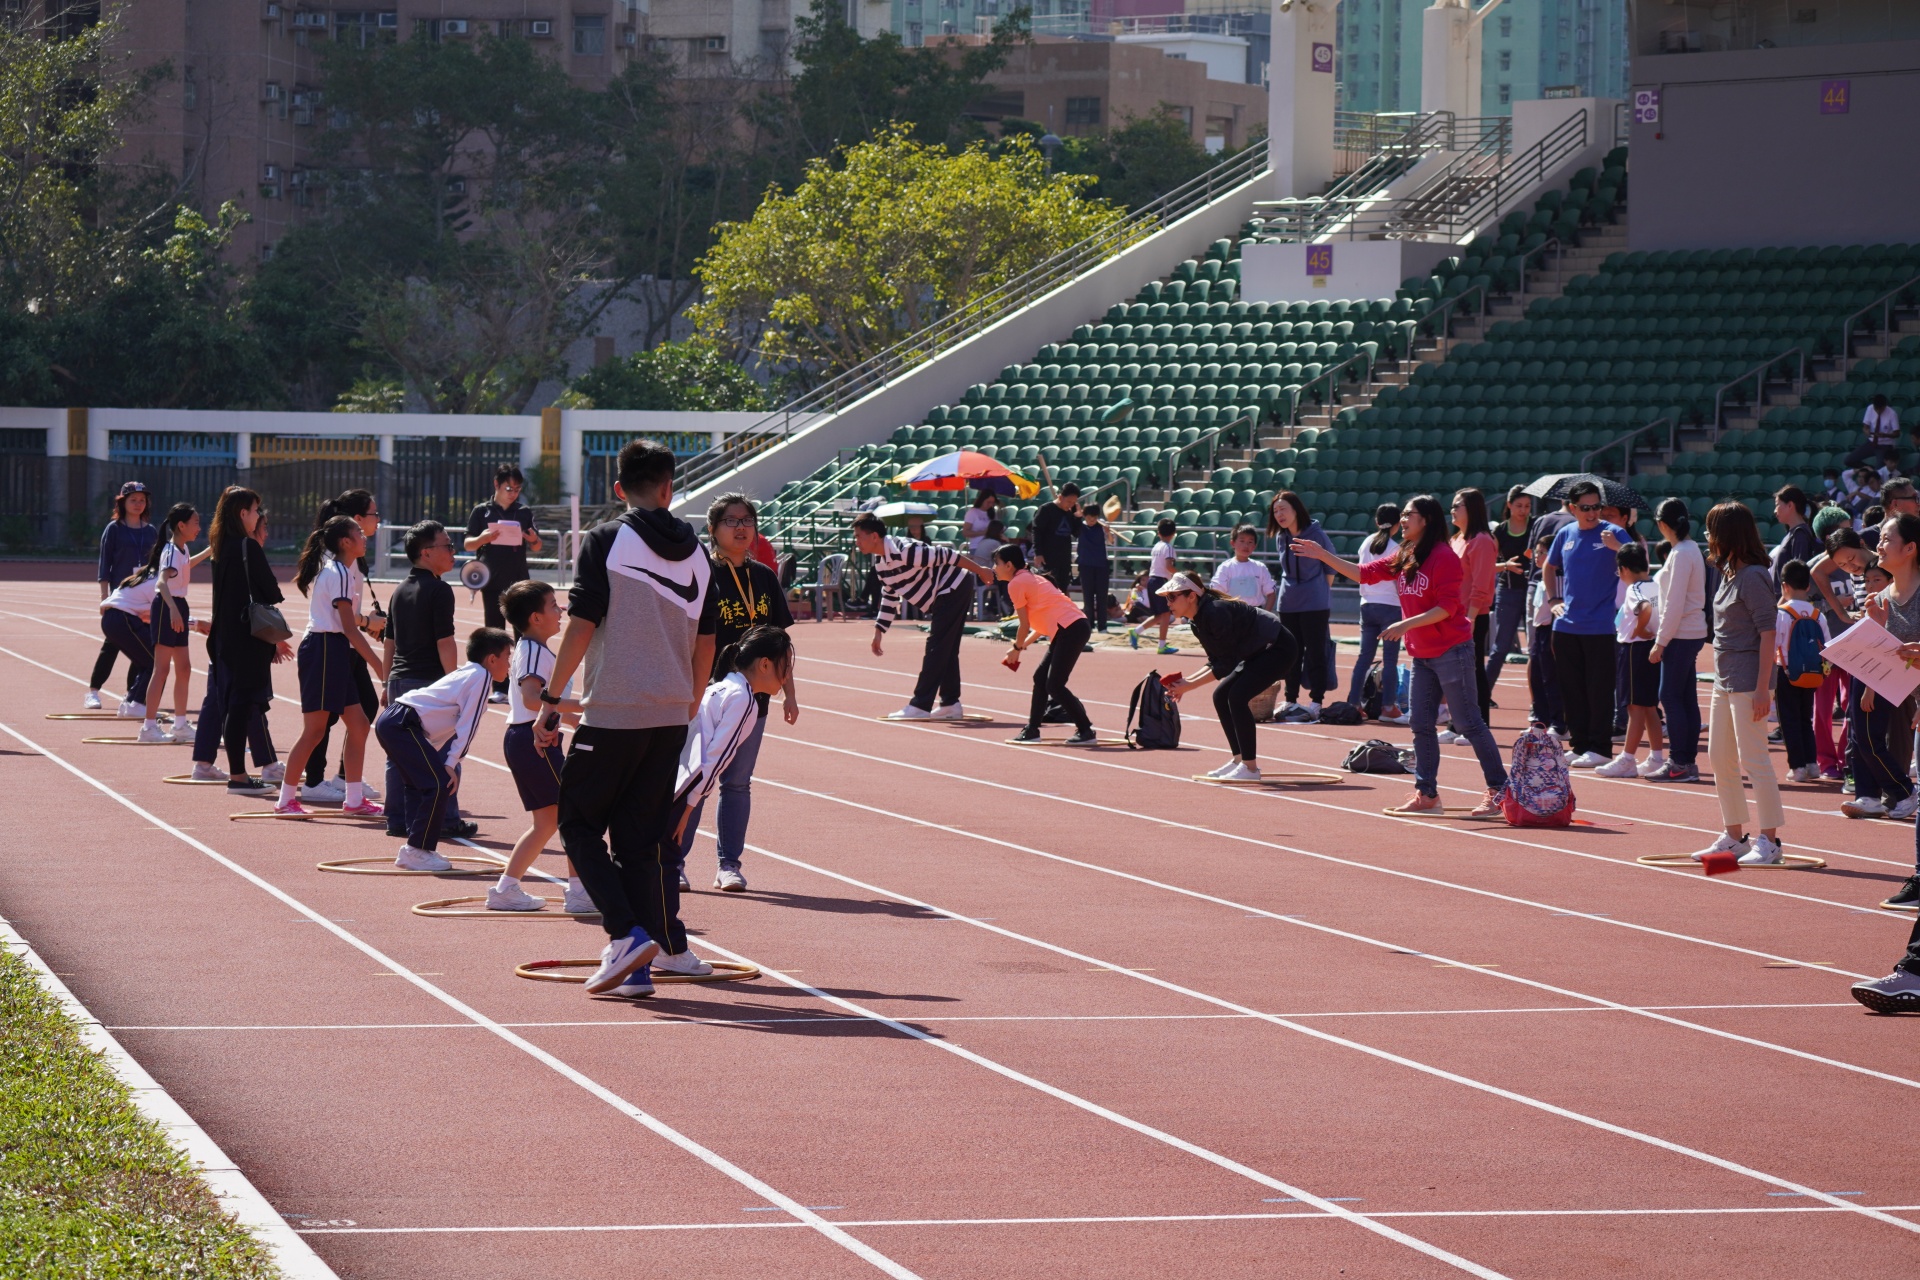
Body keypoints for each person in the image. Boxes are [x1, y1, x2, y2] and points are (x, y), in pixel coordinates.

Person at [537, 439, 719, 998]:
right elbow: (707, 640)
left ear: (619, 489)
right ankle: (640, 966)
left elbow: (582, 622)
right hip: (669, 715)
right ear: (669, 488)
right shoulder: (699, 553)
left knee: (577, 825)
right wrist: (689, 701)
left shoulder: (607, 539)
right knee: (639, 844)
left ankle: (625, 935)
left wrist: (552, 696)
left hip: (615, 711)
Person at [1296, 496, 1509, 816]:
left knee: (1469, 722)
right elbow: (1364, 574)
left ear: (1427, 520)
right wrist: (1323, 555)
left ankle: (1500, 790)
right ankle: (1427, 794)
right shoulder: (1405, 553)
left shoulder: (1444, 557)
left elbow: (1448, 608)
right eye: (1404, 514)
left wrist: (1405, 624)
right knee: (1421, 725)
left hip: (1452, 650)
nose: (1403, 519)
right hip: (1422, 655)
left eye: (1410, 514)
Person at [625, 625, 800, 997]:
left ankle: (651, 946)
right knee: (663, 866)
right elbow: (714, 758)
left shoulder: (723, 687)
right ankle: (666, 949)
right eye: (786, 666)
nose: (788, 676)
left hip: (660, 778)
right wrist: (689, 808)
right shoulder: (744, 700)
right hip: (677, 785)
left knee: (653, 864)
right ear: (765, 664)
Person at [671, 492, 798, 894]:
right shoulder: (701, 575)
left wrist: (789, 693)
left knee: (737, 783)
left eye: (747, 520)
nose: (741, 528)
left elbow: (780, 644)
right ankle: (674, 862)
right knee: (694, 776)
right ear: (713, 529)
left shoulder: (764, 577)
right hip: (706, 696)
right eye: (731, 521)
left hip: (754, 699)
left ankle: (729, 865)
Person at [1688, 502, 1787, 865]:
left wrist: (1762, 688)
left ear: (1726, 534)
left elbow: (1767, 633)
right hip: (1725, 678)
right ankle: (1734, 837)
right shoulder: (1730, 572)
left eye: (1711, 530)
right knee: (1720, 757)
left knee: (1755, 759)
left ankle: (1770, 841)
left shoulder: (1754, 576)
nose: (1707, 536)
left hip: (1748, 680)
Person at [488, 580, 593, 913]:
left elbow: (547, 705)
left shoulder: (535, 649)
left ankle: (506, 889)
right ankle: (579, 893)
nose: (560, 610)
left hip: (530, 739)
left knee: (547, 823)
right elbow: (533, 700)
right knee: (574, 815)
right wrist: (587, 705)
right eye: (552, 605)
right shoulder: (532, 651)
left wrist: (574, 719)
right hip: (532, 741)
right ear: (535, 618)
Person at [273, 516, 388, 817]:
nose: (365, 537)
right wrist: (379, 667)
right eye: (359, 533)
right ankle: (285, 800)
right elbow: (350, 628)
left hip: (334, 650)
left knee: (359, 724)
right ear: (345, 542)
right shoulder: (337, 572)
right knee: (314, 730)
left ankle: (354, 800)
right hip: (323, 649)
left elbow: (348, 629)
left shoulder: (344, 571)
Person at [373, 628, 511, 871]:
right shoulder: (481, 676)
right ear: (492, 659)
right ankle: (417, 850)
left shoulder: (469, 673)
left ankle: (415, 849)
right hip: (403, 723)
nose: (509, 665)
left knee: (420, 785)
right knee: (438, 784)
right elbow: (468, 726)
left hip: (394, 721)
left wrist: (445, 762)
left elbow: (442, 725)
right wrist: (450, 764)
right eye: (507, 657)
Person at [1158, 572, 1297, 782]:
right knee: (1221, 696)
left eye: (1172, 596)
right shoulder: (1197, 621)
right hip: (1258, 651)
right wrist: (1185, 683)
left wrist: (1189, 685)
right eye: (1167, 597)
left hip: (1278, 648)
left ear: (1191, 596)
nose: (1168, 602)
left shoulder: (1215, 612)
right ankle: (1239, 759)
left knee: (1237, 697)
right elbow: (1215, 660)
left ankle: (1250, 768)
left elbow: (1226, 664)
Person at [856, 511, 994, 721]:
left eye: (859, 536)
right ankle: (950, 704)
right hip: (943, 594)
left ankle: (920, 704)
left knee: (937, 646)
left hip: (953, 586)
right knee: (946, 648)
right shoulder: (881, 564)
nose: (856, 542)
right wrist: (879, 631)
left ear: (874, 536)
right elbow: (890, 595)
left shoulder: (906, 550)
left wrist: (981, 571)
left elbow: (948, 555)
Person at [187, 508, 286, 784]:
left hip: (223, 643)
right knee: (247, 702)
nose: (266, 534)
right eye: (263, 527)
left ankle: (205, 762)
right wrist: (272, 638)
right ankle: (264, 765)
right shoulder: (245, 552)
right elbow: (266, 597)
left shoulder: (225, 550)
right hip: (240, 645)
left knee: (220, 702)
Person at [301, 491, 385, 803]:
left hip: (346, 644)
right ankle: (310, 783)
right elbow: (342, 617)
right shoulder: (335, 563)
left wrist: (367, 622)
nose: (378, 520)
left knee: (363, 710)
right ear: (356, 521)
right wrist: (366, 624)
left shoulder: (351, 558)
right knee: (322, 720)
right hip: (332, 644)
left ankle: (346, 779)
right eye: (373, 514)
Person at [380, 521, 461, 843]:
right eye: (447, 545)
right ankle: (446, 819)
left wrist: (386, 682)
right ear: (426, 553)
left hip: (399, 681)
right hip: (429, 683)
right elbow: (445, 641)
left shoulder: (399, 590)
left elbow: (389, 642)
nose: (453, 551)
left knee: (398, 754)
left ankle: (397, 819)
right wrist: (454, 685)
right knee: (444, 751)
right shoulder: (440, 590)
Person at [1842, 512, 1920, 821]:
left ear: (1910, 548)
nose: (1878, 547)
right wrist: (1873, 632)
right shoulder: (1883, 598)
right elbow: (1891, 658)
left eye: (1887, 540)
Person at [1544, 481, 1626, 768]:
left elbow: (1639, 563)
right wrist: (1553, 599)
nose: (1592, 513)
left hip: (1600, 627)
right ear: (1572, 508)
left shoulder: (1613, 532)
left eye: (1596, 507)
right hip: (1566, 627)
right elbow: (1549, 566)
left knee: (1598, 690)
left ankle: (1600, 747)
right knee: (1571, 690)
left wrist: (1618, 548)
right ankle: (1579, 745)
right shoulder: (1565, 533)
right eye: (1586, 508)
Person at [998, 544, 1097, 745]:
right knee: (1041, 678)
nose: (994, 568)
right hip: (1072, 628)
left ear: (1008, 565)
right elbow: (1040, 626)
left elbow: (1024, 624)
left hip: (1071, 629)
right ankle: (1032, 730)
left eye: (996, 563)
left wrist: (1017, 649)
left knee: (1054, 685)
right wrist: (1020, 646)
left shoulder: (1016, 583)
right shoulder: (1033, 578)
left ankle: (1085, 730)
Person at [1642, 499, 1709, 783]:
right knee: (1684, 697)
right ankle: (1685, 762)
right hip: (1689, 632)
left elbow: (1674, 602)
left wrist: (1661, 641)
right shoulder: (1690, 549)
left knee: (1670, 696)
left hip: (1681, 634)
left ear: (1662, 524)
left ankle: (1680, 762)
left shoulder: (1681, 553)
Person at [138, 503, 208, 744]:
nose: (199, 527)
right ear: (181, 525)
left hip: (178, 604)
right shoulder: (169, 551)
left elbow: (185, 567)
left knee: (184, 668)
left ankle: (179, 725)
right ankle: (148, 728)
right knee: (162, 669)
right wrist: (173, 610)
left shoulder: (183, 549)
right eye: (196, 522)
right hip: (167, 607)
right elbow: (161, 583)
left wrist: (209, 551)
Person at [1595, 542, 1665, 777]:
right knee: (1650, 707)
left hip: (1634, 650)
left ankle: (1627, 759)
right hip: (1652, 648)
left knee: (1634, 707)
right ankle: (1656, 757)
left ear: (1624, 569)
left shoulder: (1635, 589)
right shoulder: (1656, 586)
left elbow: (1644, 609)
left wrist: (1639, 630)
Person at [88, 481, 157, 713]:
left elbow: (156, 565)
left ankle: (132, 695)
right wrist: (104, 597)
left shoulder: (151, 531)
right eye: (133, 500)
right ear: (123, 502)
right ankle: (93, 691)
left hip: (142, 599)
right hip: (120, 600)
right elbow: (105, 564)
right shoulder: (114, 529)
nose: (138, 504)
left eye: (142, 500)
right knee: (112, 645)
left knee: (141, 648)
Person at [1268, 491, 1337, 723]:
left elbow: (1331, 565)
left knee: (1316, 652)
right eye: (1275, 511)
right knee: (1291, 652)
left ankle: (1316, 702)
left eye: (1283, 509)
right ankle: (1291, 699)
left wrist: (1320, 591)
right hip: (1288, 603)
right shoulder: (1281, 537)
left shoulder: (1316, 534)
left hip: (1315, 603)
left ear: (1296, 510)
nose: (1279, 514)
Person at [1808, 525, 1868, 781]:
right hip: (1826, 646)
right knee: (1822, 708)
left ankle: (1846, 758)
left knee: (1850, 705)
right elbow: (1803, 600)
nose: (1848, 566)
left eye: (1851, 559)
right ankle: (1825, 760)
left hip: (1855, 645)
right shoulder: (1819, 566)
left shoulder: (1868, 565)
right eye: (1842, 563)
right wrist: (1837, 609)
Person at [463, 462, 544, 638]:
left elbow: (537, 546)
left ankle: (522, 657)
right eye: (509, 488)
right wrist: (482, 539)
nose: (513, 493)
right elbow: (468, 544)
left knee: (523, 630)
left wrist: (533, 540)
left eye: (517, 489)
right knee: (494, 632)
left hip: (519, 580)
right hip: (491, 579)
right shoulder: (481, 511)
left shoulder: (524, 512)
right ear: (496, 484)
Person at [1346, 503, 1405, 724]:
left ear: (1376, 521)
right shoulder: (1396, 548)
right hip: (1390, 606)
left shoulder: (1366, 543)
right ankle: (1388, 707)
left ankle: (1353, 704)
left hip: (1367, 604)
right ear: (1398, 524)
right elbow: (1398, 581)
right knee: (1390, 660)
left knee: (1364, 657)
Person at [1445, 487, 1497, 737]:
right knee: (1455, 674)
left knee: (1473, 672)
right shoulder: (1456, 539)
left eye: (1458, 505)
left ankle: (1478, 726)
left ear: (1472, 509)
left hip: (1471, 616)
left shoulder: (1482, 541)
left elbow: (1481, 583)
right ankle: (1457, 725)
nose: (1452, 510)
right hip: (1454, 615)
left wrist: (1472, 617)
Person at [1774, 560, 1830, 783]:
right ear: (1808, 586)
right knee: (1805, 718)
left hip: (1787, 672)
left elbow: (1774, 644)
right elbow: (1827, 645)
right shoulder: (1818, 615)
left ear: (1784, 586)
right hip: (1813, 673)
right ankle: (1812, 765)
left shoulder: (1781, 614)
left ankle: (1797, 767)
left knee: (1789, 719)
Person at [96, 552, 157, 728]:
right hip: (122, 619)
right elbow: (166, 615)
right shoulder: (156, 583)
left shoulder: (143, 577)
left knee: (144, 661)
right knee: (155, 661)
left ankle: (129, 703)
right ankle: (137, 704)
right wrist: (196, 623)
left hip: (111, 620)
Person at [1485, 488, 1533, 695]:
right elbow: (1486, 564)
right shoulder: (1500, 531)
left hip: (1532, 591)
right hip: (1508, 592)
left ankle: (1538, 701)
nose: (1523, 510)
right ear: (1509, 505)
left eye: (1527, 506)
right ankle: (1484, 694)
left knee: (1536, 650)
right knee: (1501, 647)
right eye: (1519, 506)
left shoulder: (1535, 526)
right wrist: (1506, 565)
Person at [1526, 526, 1568, 737]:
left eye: (1542, 552)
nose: (1537, 555)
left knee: (1552, 677)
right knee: (1537, 676)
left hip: (1552, 630)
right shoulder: (1541, 578)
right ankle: (1540, 720)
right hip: (1540, 630)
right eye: (1537, 551)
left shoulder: (1559, 577)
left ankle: (1559, 723)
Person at [1127, 518, 1179, 654]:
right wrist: (1180, 575)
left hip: (1152, 580)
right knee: (1166, 614)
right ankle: (1161, 645)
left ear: (1158, 533)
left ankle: (1136, 631)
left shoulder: (1156, 546)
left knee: (1159, 615)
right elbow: (1168, 566)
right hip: (1161, 581)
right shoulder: (1168, 548)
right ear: (1173, 533)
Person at [1031, 484, 1082, 594]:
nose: (1071, 505)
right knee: (1047, 589)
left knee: (1062, 590)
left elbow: (1077, 533)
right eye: (1069, 501)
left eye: (1073, 502)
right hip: (1048, 558)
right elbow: (1037, 531)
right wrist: (1038, 553)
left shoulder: (1070, 513)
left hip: (1064, 559)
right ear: (1060, 497)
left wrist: (1078, 517)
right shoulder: (1046, 510)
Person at [1213, 523, 1276, 607]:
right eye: (1242, 541)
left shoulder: (1260, 567)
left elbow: (1271, 594)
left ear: (1254, 546)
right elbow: (1216, 593)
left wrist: (1265, 613)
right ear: (1233, 543)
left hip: (1255, 612)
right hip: (1231, 611)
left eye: (1250, 542)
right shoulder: (1225, 567)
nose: (1246, 545)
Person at [1770, 485, 1818, 590]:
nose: (1775, 511)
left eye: (1777, 505)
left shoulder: (1800, 534)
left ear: (1790, 505)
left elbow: (1798, 576)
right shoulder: (1793, 533)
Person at [1077, 505, 1115, 631]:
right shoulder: (1080, 526)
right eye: (1089, 518)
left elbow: (1111, 542)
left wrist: (1108, 532)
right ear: (1085, 516)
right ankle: (1089, 625)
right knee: (1087, 597)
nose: (1091, 521)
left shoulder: (1102, 527)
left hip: (1101, 566)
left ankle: (1102, 626)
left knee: (1101, 597)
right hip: (1085, 565)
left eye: (1094, 518)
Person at [1848, 393, 1902, 470]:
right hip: (1871, 441)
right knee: (1849, 460)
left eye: (1880, 409)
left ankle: (1875, 472)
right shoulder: (1870, 408)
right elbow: (1865, 427)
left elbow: (1897, 433)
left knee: (1879, 468)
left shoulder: (1892, 414)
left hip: (1885, 444)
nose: (1878, 411)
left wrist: (1885, 435)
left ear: (1884, 406)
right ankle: (1869, 469)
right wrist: (1866, 431)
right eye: (1876, 408)